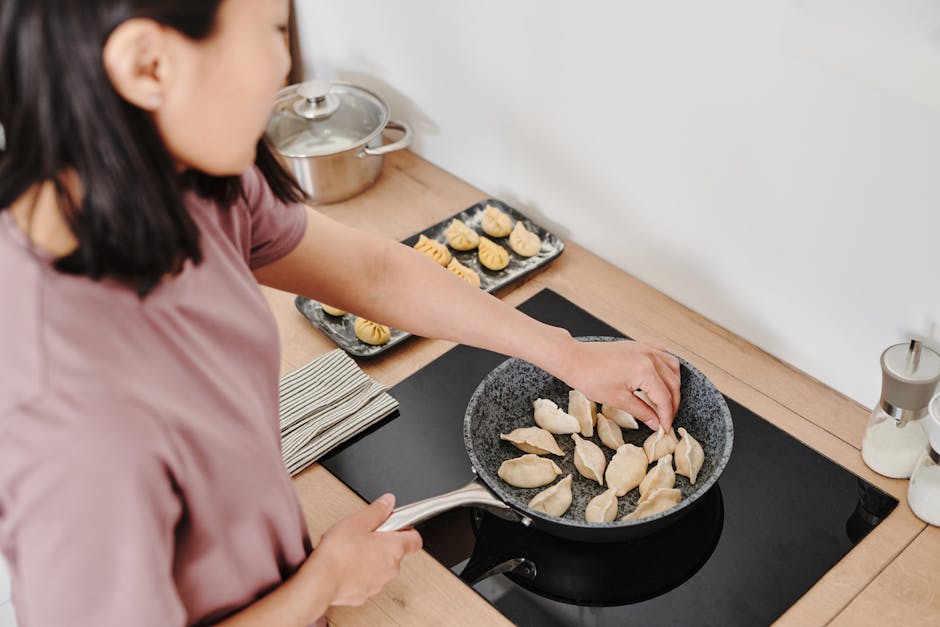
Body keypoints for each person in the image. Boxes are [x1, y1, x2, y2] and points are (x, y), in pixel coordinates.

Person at [0, 0, 681, 625]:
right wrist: (320, 583)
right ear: (149, 64)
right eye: (273, 29)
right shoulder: (62, 412)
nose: (285, 66)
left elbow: (374, 273)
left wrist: (565, 352)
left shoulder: (184, 185)